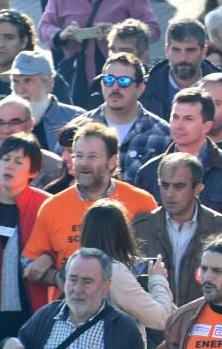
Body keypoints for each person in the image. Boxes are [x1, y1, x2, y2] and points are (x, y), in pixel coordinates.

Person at [21, 122, 157, 290]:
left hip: (127, 309)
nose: (83, 163)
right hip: (70, 309)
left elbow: (154, 261)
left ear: (112, 161)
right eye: (78, 156)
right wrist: (57, 277)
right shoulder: (53, 206)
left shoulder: (142, 202)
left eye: (92, 156)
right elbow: (28, 264)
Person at [0, 134, 51, 346]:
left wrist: (48, 258)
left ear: (33, 171)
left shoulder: (46, 205)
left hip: (30, 313)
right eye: (5, 158)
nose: (9, 165)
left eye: (18, 161)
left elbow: (59, 248)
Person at [132, 152, 222, 307]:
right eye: (164, 185)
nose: (170, 194)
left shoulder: (220, 228)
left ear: (198, 188)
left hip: (201, 322)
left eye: (179, 186)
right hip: (155, 325)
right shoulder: (141, 229)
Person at [134, 88, 222, 213]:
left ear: (206, 126)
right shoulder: (148, 172)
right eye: (175, 117)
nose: (179, 126)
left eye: (188, 119)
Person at [8, 248, 143, 348]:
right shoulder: (47, 316)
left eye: (87, 281)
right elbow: (19, 343)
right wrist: (7, 343)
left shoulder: (123, 328)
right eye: (73, 279)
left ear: (105, 285)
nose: (77, 289)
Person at [78, 200, 176, 337]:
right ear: (122, 233)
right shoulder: (113, 271)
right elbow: (160, 318)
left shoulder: (75, 266)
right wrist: (158, 279)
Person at [141, 18, 222, 126]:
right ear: (167, 50)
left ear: (204, 51)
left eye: (190, 50)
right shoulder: (144, 89)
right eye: (176, 50)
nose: (183, 58)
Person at [85, 52, 171, 182]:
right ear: (102, 84)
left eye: (124, 81)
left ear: (140, 89)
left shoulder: (163, 134)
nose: (115, 87)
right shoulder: (80, 128)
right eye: (109, 80)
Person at [0, 10, 69, 108]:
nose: (0, 44)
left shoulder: (48, 80)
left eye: (9, 38)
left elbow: (68, 118)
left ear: (24, 41)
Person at [0, 96, 63, 192]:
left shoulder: (55, 166)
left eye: (15, 122)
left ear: (30, 124)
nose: (6, 130)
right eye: (0, 123)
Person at [5, 50, 85, 153]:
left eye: (28, 81)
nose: (20, 90)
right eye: (15, 82)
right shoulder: (3, 119)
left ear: (49, 83)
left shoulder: (76, 118)